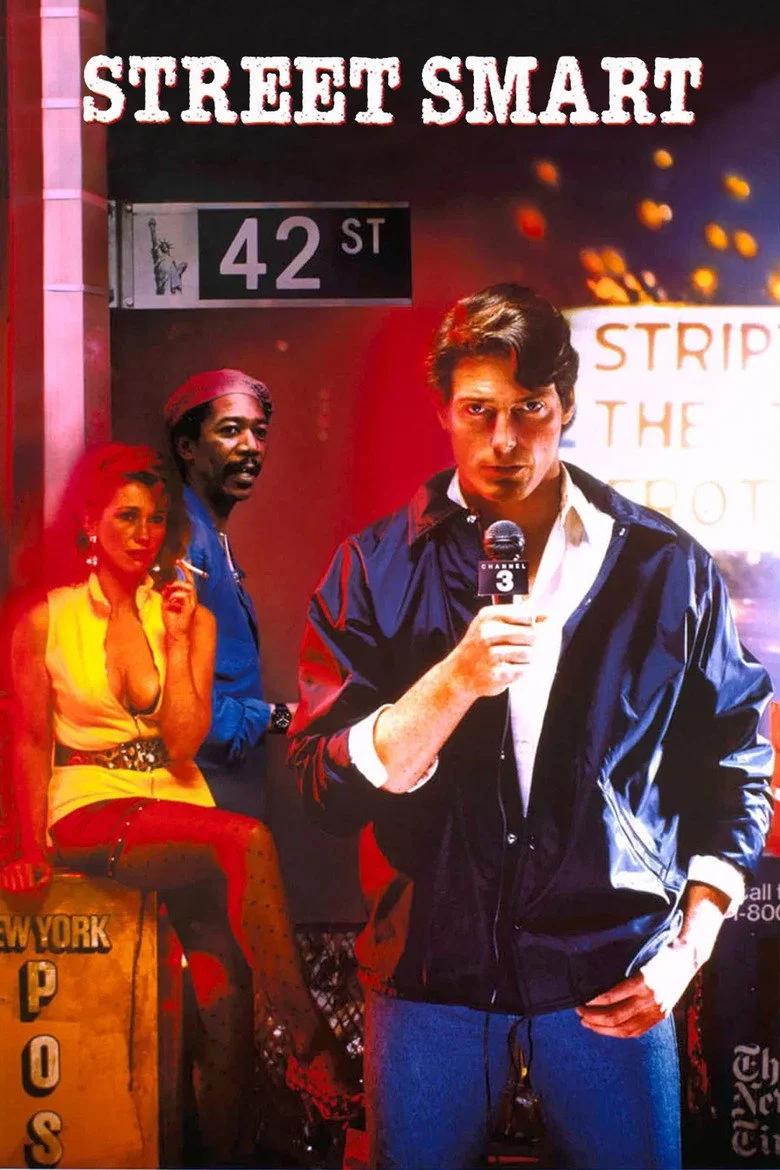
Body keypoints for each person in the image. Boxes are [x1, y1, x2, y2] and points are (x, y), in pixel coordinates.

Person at [289, 284, 775, 1170]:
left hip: (612, 975)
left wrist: (687, 951)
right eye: (479, 411)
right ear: (443, 412)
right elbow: (321, 785)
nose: (505, 440)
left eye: (530, 410)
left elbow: (737, 760)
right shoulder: (374, 569)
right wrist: (454, 681)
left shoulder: (664, 567)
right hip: (429, 980)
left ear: (567, 407)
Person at [0, 443, 360, 1165]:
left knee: (223, 996)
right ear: (89, 523)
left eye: (156, 519)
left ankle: (221, 1158)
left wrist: (174, 637)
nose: (144, 533)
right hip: (90, 805)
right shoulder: (45, 619)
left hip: (178, 807)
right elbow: (31, 742)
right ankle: (312, 1045)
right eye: (126, 517)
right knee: (247, 839)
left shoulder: (188, 618)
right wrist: (27, 848)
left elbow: (185, 740)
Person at [164, 369, 295, 819]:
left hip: (232, 786)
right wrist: (287, 717)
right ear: (187, 447)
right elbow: (181, 698)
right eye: (230, 430)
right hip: (201, 790)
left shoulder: (210, 534)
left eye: (260, 432)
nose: (251, 447)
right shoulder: (184, 539)